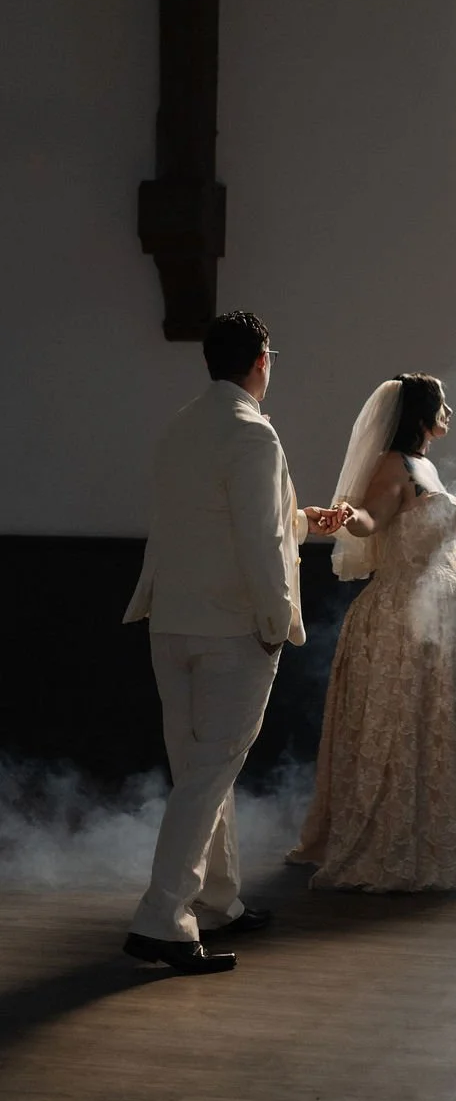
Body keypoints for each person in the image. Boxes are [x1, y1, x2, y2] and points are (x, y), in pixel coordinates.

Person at [122, 311, 344, 974]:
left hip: (172, 620)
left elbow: (225, 523)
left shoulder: (181, 426)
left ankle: (216, 900)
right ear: (262, 361)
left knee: (199, 767)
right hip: (231, 627)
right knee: (209, 773)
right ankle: (163, 916)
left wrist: (302, 519)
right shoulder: (255, 434)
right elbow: (256, 542)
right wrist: (278, 624)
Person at [288, 374, 456, 890]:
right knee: (401, 721)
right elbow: (371, 518)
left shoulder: (426, 466)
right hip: (403, 614)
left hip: (446, 609)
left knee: (438, 721)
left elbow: (441, 550)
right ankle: (393, 835)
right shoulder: (394, 464)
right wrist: (349, 515)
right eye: (441, 404)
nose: (448, 412)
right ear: (418, 415)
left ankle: (442, 831)